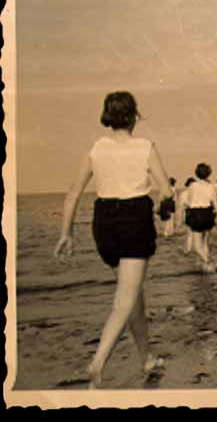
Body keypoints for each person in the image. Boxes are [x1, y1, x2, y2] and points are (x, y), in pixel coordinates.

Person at [53, 91, 171, 389]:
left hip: (104, 221)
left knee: (133, 295)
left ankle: (147, 358)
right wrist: (162, 206)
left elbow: (72, 195)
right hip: (134, 218)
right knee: (125, 300)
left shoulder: (96, 149)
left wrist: (66, 234)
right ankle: (98, 362)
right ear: (134, 116)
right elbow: (167, 190)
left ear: (108, 116)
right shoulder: (145, 147)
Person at [184, 163, 217, 271]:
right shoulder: (211, 186)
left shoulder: (192, 186)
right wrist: (216, 216)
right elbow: (215, 202)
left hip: (196, 213)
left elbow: (189, 202)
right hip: (208, 213)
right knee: (205, 243)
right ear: (208, 174)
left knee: (196, 246)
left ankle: (209, 263)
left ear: (196, 173)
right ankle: (206, 266)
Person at [179, 177, 195, 255]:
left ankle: (188, 249)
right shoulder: (194, 193)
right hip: (192, 213)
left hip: (189, 213)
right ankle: (190, 249)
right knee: (193, 233)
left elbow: (181, 207)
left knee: (190, 233)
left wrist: (181, 218)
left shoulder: (184, 193)